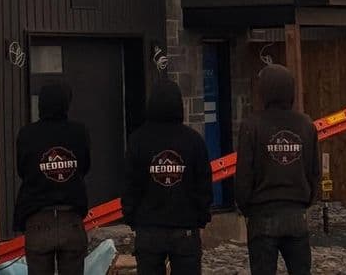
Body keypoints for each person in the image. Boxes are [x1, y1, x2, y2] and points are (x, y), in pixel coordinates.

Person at [234, 65, 320, 275]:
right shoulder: (306, 124)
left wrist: (246, 206)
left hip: (261, 214)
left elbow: (244, 174)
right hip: (296, 214)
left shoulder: (251, 125)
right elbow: (314, 171)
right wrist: (306, 200)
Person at [121, 79, 213, 275]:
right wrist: (201, 217)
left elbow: (131, 184)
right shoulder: (193, 140)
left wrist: (131, 216)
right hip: (185, 227)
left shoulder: (138, 140)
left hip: (149, 227)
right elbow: (203, 183)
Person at [13, 80, 92, 275]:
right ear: (66, 104)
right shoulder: (78, 132)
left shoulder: (27, 134)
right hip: (71, 217)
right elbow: (84, 166)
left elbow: (22, 170)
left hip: (37, 218)